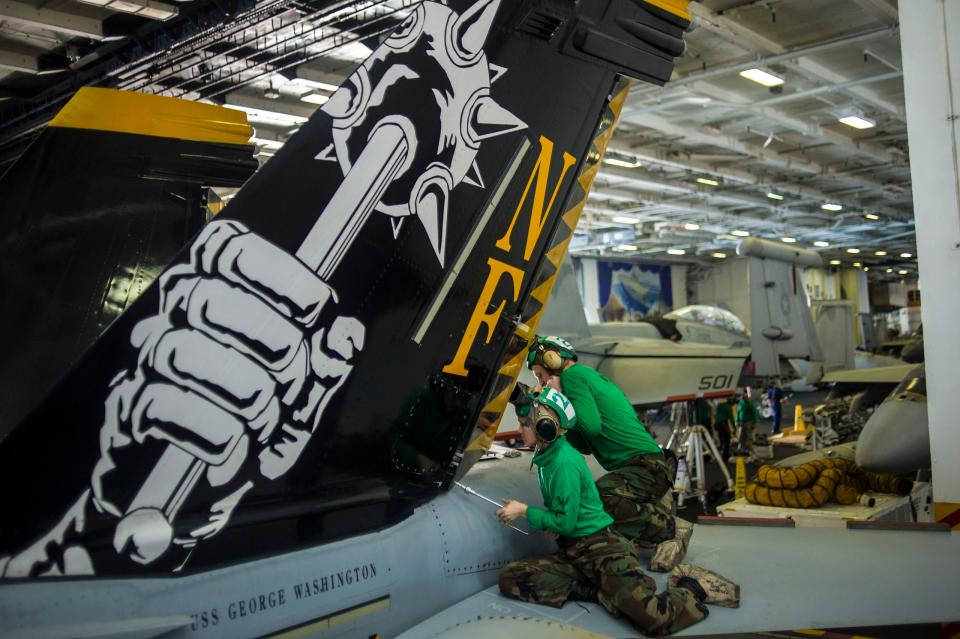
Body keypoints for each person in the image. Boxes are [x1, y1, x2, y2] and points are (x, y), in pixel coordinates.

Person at [497, 387, 730, 636]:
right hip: (575, 551)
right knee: (512, 577)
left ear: (545, 428)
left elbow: (565, 523)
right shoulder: (547, 454)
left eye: (524, 424)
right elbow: (564, 521)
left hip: (602, 548)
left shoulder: (563, 463)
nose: (520, 429)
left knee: (654, 619)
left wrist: (523, 510)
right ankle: (599, 592)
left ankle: (692, 587)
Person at [525, 335, 689, 571]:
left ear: (552, 361)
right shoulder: (584, 376)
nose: (542, 383)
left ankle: (671, 529)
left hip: (646, 466)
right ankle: (651, 524)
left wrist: (561, 398)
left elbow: (591, 427)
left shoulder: (574, 376)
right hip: (648, 464)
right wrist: (559, 415)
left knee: (602, 498)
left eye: (540, 375)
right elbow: (585, 444)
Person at [736, 388, 760, 458]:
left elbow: (753, 414)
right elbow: (738, 412)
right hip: (741, 422)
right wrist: (737, 421)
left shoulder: (750, 404)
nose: (743, 399)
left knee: (749, 436)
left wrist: (754, 423)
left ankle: (750, 449)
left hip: (748, 422)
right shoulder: (740, 403)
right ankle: (741, 448)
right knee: (741, 436)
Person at [714, 396, 736, 462]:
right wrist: (734, 429)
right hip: (723, 424)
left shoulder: (719, 406)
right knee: (727, 440)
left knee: (721, 440)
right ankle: (725, 457)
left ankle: (720, 454)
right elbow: (731, 419)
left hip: (717, 425)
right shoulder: (728, 407)